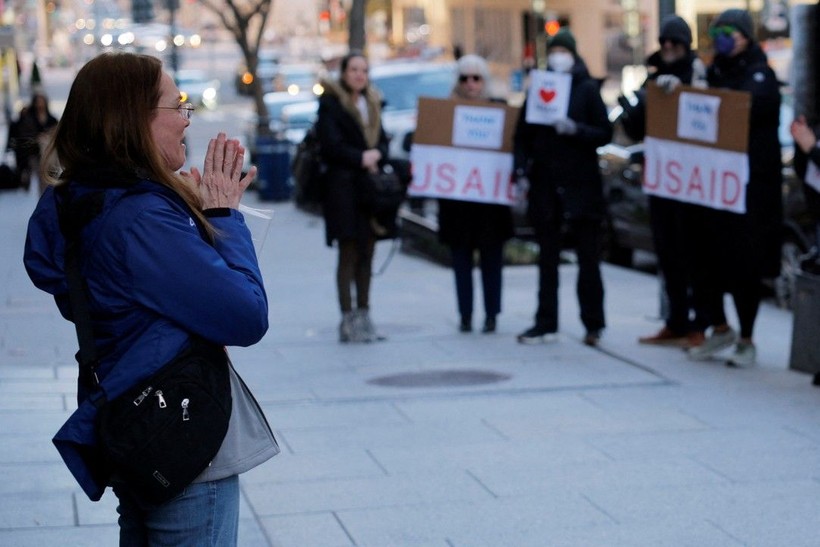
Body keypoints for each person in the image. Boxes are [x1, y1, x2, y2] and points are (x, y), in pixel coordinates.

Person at [23, 52, 278, 545]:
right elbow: (246, 316)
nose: (187, 119)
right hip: (177, 435)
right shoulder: (139, 220)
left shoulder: (91, 201)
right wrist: (223, 218)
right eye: (177, 105)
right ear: (134, 119)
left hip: (136, 418)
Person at [687, 9, 783, 367]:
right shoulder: (713, 72)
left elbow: (746, 110)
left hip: (748, 192)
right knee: (703, 261)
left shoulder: (761, 75)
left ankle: (746, 338)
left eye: (729, 31)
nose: (722, 38)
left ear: (745, 35)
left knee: (745, 266)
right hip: (713, 191)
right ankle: (720, 327)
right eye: (717, 32)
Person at [513, 29, 613, 346]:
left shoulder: (586, 89)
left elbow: (604, 132)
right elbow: (521, 137)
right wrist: (521, 170)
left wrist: (576, 130)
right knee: (548, 259)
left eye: (563, 50)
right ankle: (546, 322)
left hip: (581, 188)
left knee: (587, 259)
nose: (558, 56)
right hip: (545, 186)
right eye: (553, 50)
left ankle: (593, 324)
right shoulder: (539, 89)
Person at [630, 15, 709, 349]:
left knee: (695, 254)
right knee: (668, 252)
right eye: (664, 43)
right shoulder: (654, 77)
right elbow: (637, 129)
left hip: (692, 182)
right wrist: (641, 104)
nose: (668, 48)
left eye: (674, 43)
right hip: (663, 180)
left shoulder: (700, 73)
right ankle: (675, 321)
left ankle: (698, 323)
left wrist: (684, 92)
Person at [316, 51, 390, 343]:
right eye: (354, 69)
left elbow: (383, 140)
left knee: (368, 252)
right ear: (344, 73)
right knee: (349, 252)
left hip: (369, 190)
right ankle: (348, 320)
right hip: (343, 190)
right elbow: (330, 146)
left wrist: (376, 154)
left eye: (364, 70)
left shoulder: (372, 102)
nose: (360, 75)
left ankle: (365, 315)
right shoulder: (331, 104)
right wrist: (362, 157)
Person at [438, 54, 514, 333]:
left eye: (476, 77)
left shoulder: (501, 110)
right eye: (465, 78)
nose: (471, 84)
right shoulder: (445, 112)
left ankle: (492, 314)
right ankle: (465, 314)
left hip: (490, 203)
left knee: (492, 261)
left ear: (485, 81)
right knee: (461, 262)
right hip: (458, 203)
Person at [9, 92, 58, 192]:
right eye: (38, 102)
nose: (40, 104)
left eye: (41, 102)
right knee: (42, 175)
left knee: (46, 177)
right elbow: (23, 135)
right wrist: (37, 138)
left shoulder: (52, 119)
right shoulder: (29, 119)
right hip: (34, 152)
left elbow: (57, 135)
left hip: (48, 153)